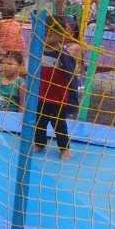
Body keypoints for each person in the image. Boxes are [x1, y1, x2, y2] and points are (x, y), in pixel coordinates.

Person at [35, 17, 80, 159]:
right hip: (41, 95)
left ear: (60, 35)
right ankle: (39, 143)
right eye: (45, 32)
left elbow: (72, 77)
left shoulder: (64, 54)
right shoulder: (38, 50)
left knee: (59, 124)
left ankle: (64, 148)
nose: (47, 35)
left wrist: (73, 99)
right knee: (39, 121)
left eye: (52, 32)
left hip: (58, 97)